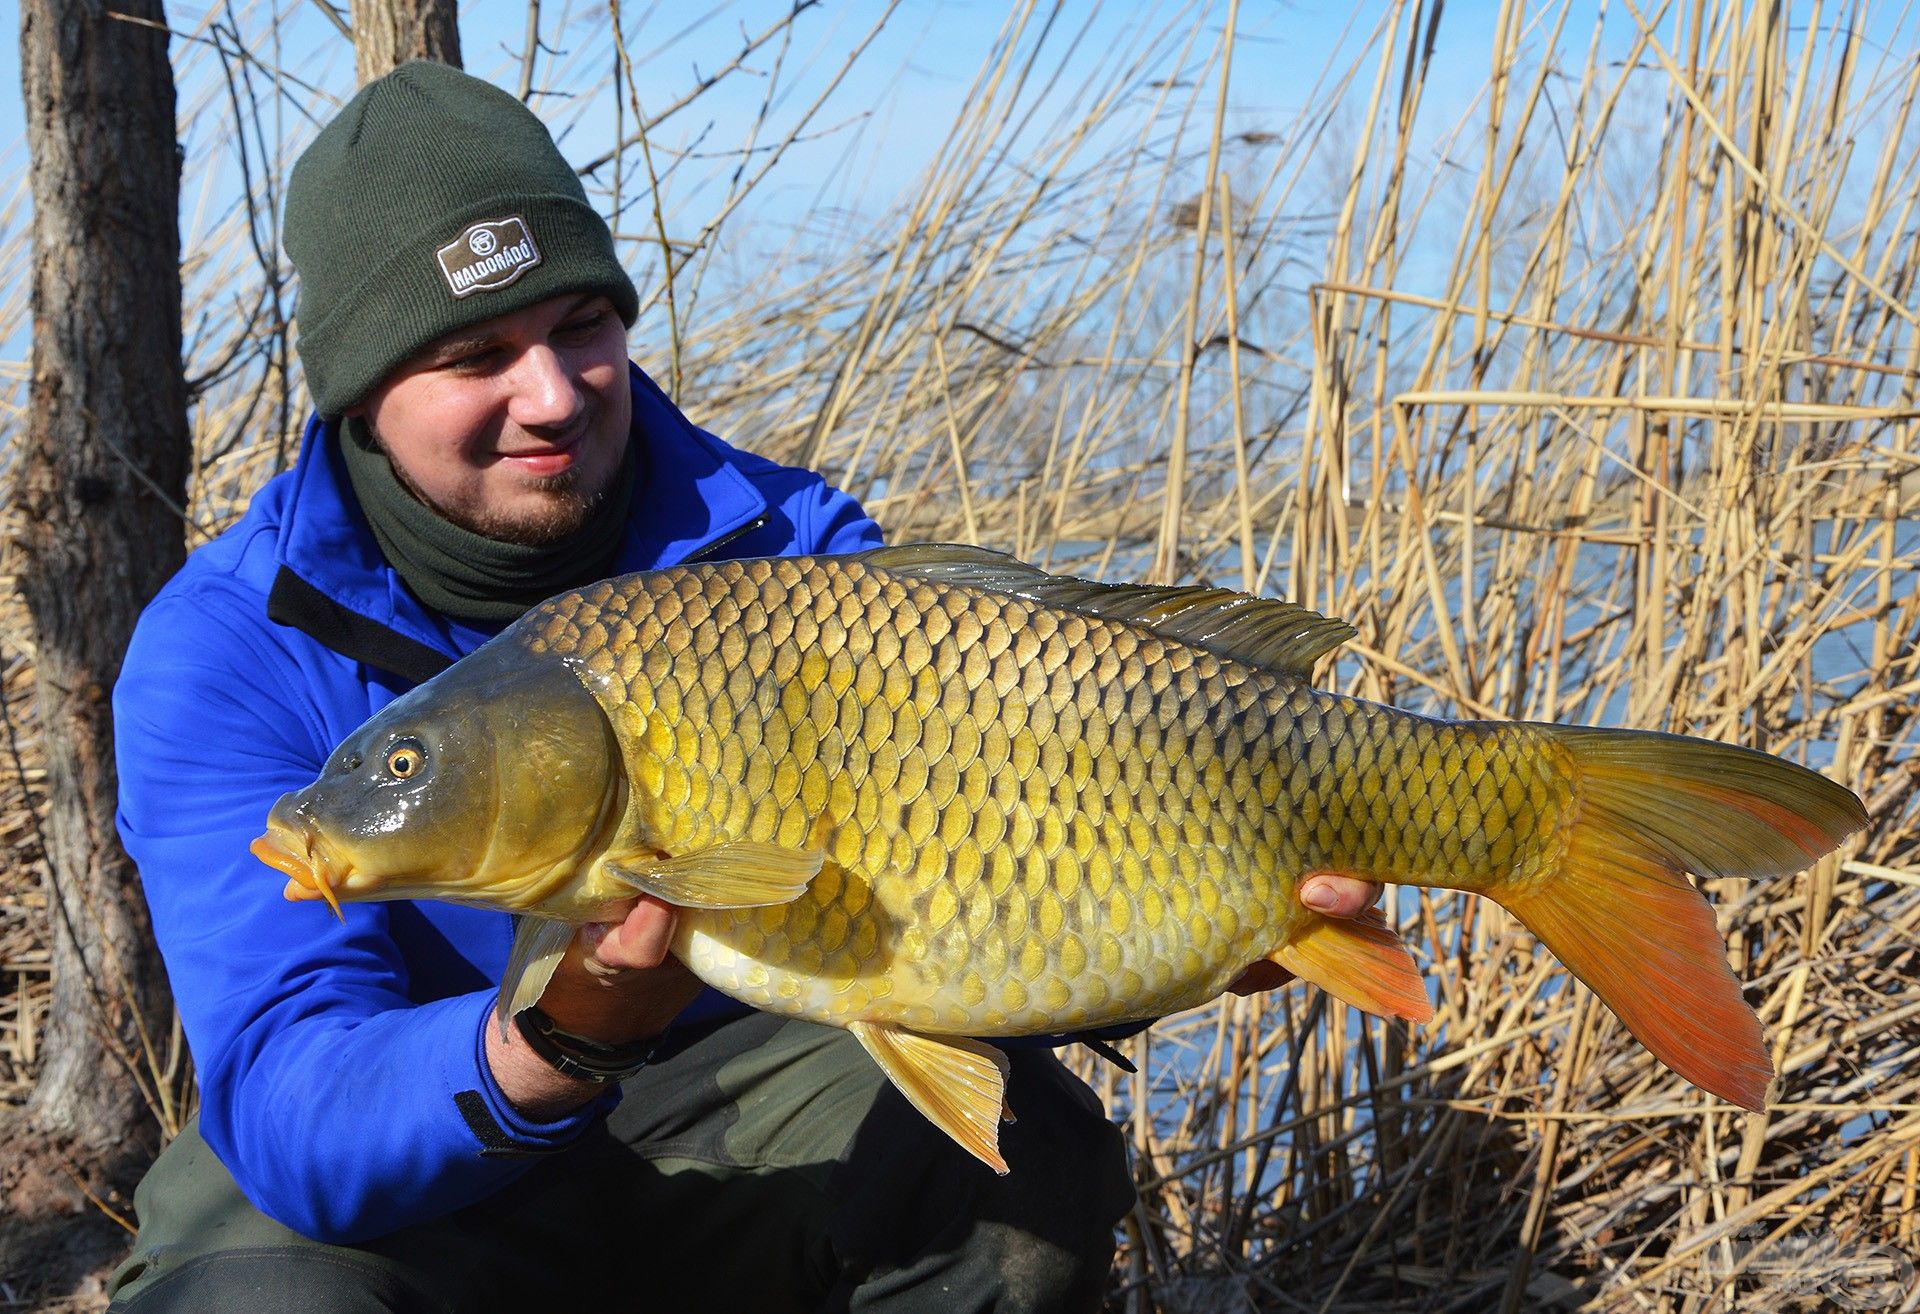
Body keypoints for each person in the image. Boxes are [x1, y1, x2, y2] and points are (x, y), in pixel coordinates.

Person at [103, 62, 1383, 1313]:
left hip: (739, 1116)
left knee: (1021, 1169)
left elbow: (973, 917)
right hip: (425, 1149)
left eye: (580, 326)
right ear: (363, 395)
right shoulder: (224, 648)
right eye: (478, 353)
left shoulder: (795, 549)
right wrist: (554, 1040)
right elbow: (287, 1088)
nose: (550, 395)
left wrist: (1194, 934)